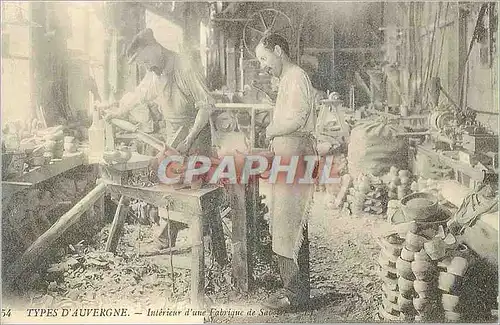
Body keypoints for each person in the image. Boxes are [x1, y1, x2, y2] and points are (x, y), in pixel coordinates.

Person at [104, 28, 214, 249]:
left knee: (192, 191)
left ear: (154, 48)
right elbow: (137, 95)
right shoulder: (155, 73)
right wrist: (117, 112)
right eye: (142, 64)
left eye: (145, 60)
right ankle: (165, 238)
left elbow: (206, 105)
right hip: (173, 134)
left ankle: (205, 243)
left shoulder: (184, 66)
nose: (146, 66)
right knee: (165, 179)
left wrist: (190, 137)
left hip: (196, 134)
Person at [255, 34, 317, 311]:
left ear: (279, 50)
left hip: (296, 155)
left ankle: (296, 296)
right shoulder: (288, 79)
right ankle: (296, 289)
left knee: (288, 224)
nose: (263, 65)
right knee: (287, 225)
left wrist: (270, 130)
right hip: (289, 155)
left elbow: (299, 117)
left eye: (264, 58)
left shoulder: (296, 76)